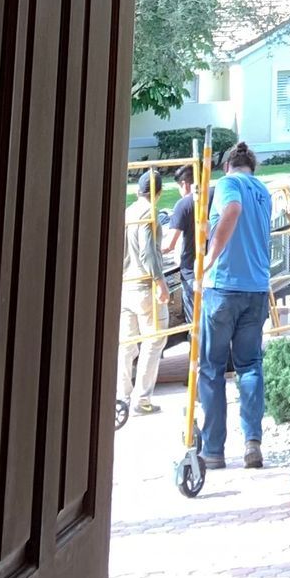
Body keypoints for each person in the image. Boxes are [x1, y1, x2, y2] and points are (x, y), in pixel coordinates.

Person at [198, 140, 275, 471]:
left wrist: (209, 257)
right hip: (256, 289)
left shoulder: (228, 184)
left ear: (227, 165)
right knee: (250, 365)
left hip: (224, 287)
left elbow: (232, 210)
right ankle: (252, 441)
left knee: (212, 368)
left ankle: (213, 449)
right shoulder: (264, 191)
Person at [118, 169, 166, 416]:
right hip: (145, 286)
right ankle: (142, 398)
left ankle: (120, 395)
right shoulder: (150, 214)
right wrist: (161, 282)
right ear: (158, 192)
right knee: (155, 339)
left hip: (126, 284)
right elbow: (149, 252)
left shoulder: (128, 212)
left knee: (127, 343)